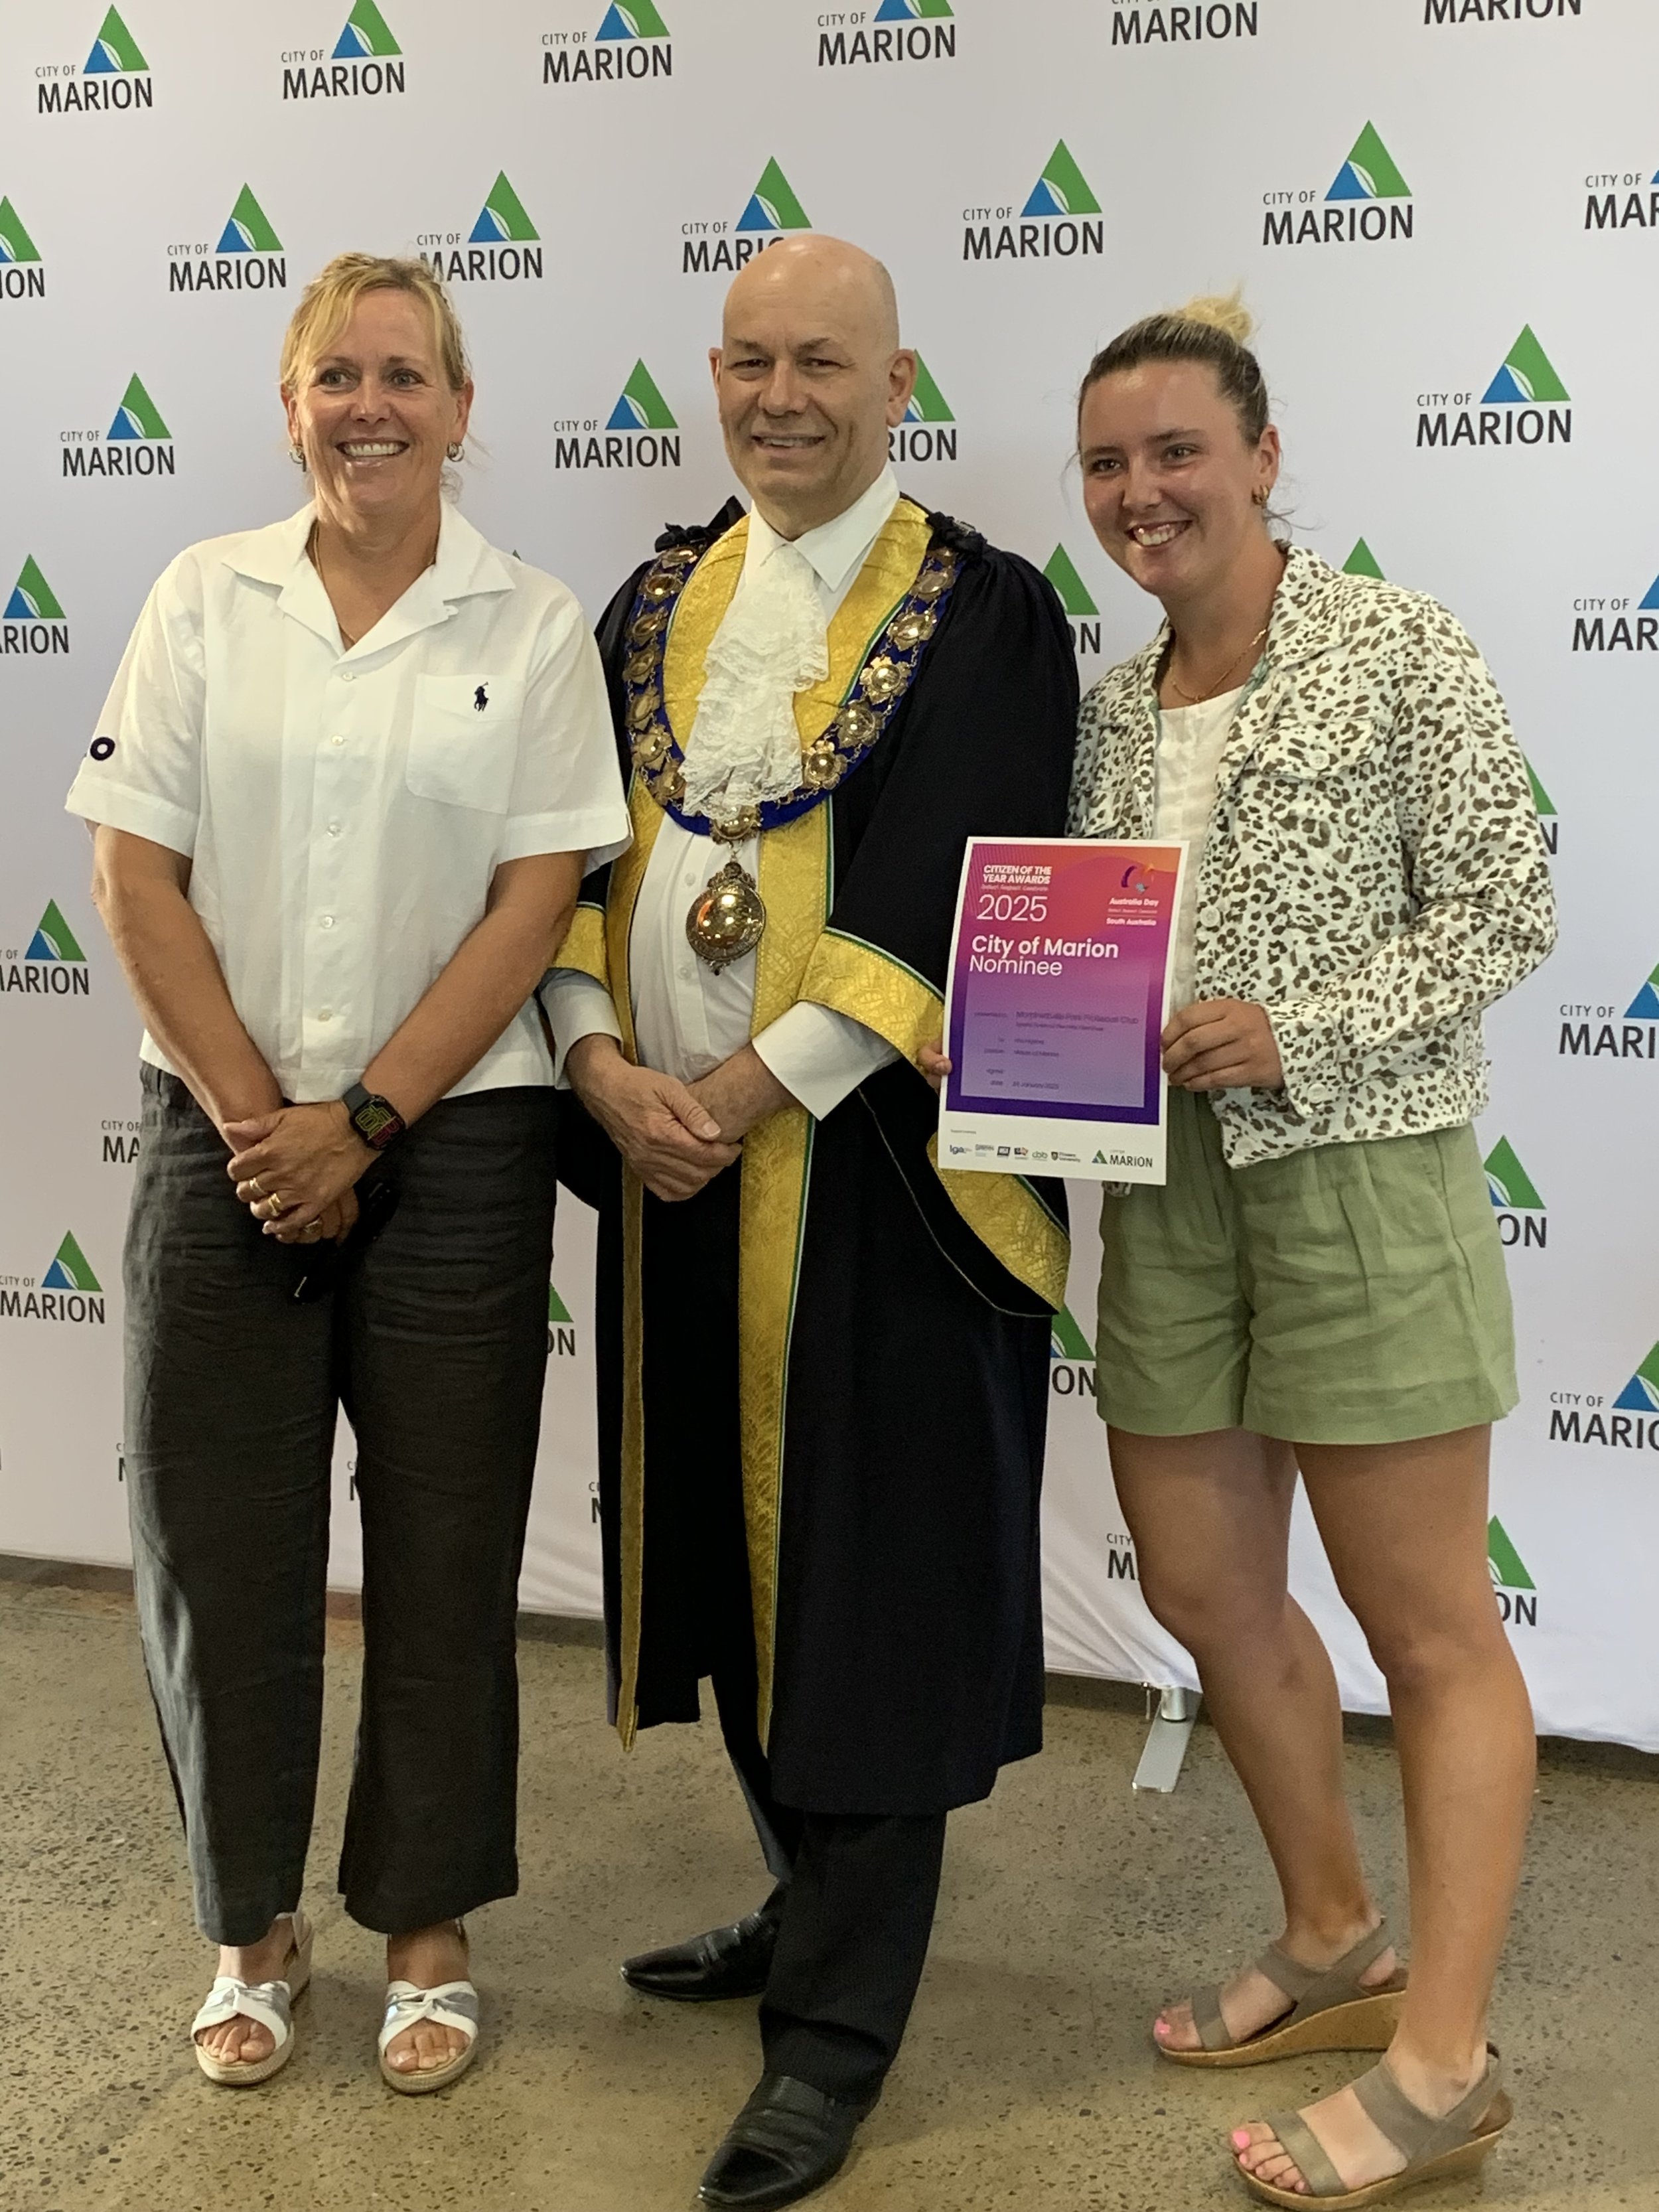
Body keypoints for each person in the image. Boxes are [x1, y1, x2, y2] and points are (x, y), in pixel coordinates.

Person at [542, 234, 1077, 2209]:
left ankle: (835, 2035)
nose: (783, 396)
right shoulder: (651, 599)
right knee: (729, 1572)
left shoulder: (988, 613)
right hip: (666, 1165)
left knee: (868, 1596)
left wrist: (753, 1087)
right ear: (713, 370)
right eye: (751, 360)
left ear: (895, 379)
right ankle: (810, 1905)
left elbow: (960, 881)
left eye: (823, 363)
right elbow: (571, 856)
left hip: (880, 1186)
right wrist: (603, 1064)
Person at [64, 253, 628, 2095]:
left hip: (453, 1143)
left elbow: (534, 897)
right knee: (220, 1551)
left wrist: (365, 1121)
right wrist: (260, 1121)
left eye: (403, 374)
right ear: (288, 404)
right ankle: (252, 1925)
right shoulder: (197, 599)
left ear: (460, 410)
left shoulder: (530, 625)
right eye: (335, 376)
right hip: (223, 1131)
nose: (368, 405)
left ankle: (429, 1929)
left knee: (450, 1543)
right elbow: (132, 875)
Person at [1063, 295, 1556, 2205]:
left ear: (1260, 457)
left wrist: (1308, 1019)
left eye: (1175, 451)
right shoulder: (1112, 708)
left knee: (1430, 1633)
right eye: (1106, 464)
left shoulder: (1395, 644)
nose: (1140, 491)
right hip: (1165, 1190)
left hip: (1360, 1171)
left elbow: (1510, 902)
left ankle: (1440, 2062)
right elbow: (1089, 944)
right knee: (1202, 1589)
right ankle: (1335, 1926)